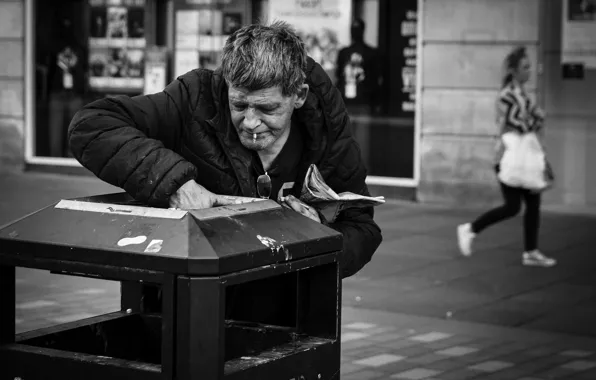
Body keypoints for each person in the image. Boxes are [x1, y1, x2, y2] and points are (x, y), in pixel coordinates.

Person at [68, 21, 382, 279]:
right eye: (239, 104)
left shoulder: (327, 125)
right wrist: (175, 184)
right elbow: (92, 124)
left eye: (267, 109)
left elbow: (362, 229)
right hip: (194, 303)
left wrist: (319, 237)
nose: (251, 122)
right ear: (227, 86)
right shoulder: (194, 98)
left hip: (288, 314)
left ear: (298, 96)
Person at [457, 46, 556, 267]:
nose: (529, 71)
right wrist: (536, 118)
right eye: (525, 67)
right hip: (507, 159)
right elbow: (523, 123)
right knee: (512, 207)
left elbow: (535, 119)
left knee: (533, 203)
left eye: (530, 67)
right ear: (514, 70)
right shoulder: (508, 96)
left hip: (524, 159)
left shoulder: (521, 95)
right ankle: (470, 229)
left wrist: (536, 118)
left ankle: (531, 251)